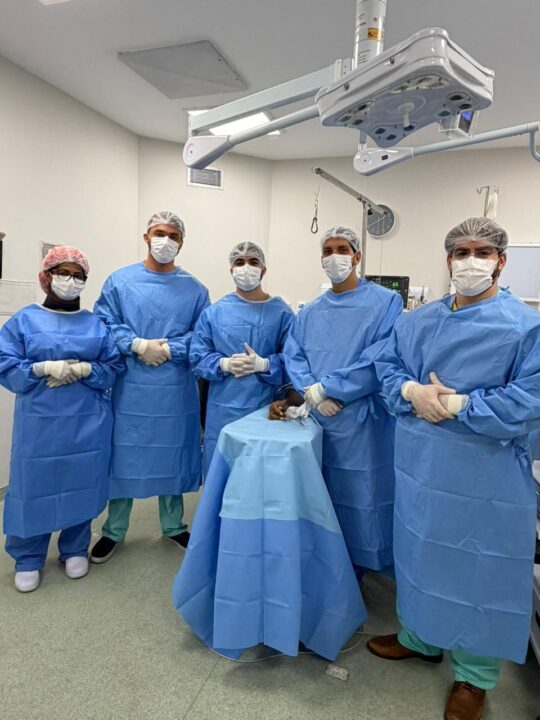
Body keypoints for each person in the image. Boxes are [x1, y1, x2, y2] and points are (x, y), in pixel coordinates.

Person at [368, 218, 540, 720]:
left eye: (482, 252)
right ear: (447, 259)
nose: (470, 261)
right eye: (460, 252)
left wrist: (458, 404)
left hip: (485, 476)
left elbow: (529, 402)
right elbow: (386, 367)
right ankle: (419, 638)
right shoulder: (417, 321)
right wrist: (410, 390)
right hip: (420, 469)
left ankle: (473, 677)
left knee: (477, 569)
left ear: (501, 261)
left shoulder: (524, 326)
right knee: (419, 553)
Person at [0, 246, 123, 592]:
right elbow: (5, 363)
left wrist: (85, 369)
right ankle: (28, 556)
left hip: (88, 421)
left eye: (78, 275)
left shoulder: (95, 324)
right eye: (63, 273)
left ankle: (74, 547)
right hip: (39, 422)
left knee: (81, 480)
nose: (71, 280)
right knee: (32, 483)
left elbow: (113, 366)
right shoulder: (24, 321)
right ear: (46, 277)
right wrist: (41, 368)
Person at [90, 211, 209, 564]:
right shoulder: (120, 281)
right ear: (146, 237)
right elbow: (104, 321)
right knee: (125, 454)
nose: (165, 240)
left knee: (171, 453)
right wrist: (137, 344)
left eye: (173, 235)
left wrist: (171, 348)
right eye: (159, 233)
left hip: (175, 390)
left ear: (182, 242)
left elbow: (204, 335)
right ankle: (114, 530)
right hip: (131, 388)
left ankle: (173, 525)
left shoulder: (195, 289)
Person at [283, 227, 403, 574]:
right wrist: (311, 391)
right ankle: (329, 566)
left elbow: (379, 356)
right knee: (323, 494)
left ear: (357, 256)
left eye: (342, 249)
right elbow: (294, 355)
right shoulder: (310, 311)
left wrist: (329, 388)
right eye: (328, 250)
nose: (334, 256)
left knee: (364, 496)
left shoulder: (386, 302)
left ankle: (367, 565)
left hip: (362, 422)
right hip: (318, 419)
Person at [190, 242, 293, 476]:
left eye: (253, 262)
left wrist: (265, 364)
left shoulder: (281, 313)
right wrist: (223, 364)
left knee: (259, 474)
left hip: (266, 408)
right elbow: (197, 357)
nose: (246, 267)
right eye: (239, 262)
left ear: (263, 270)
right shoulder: (214, 313)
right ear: (231, 270)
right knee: (222, 472)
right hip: (223, 411)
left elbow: (295, 360)